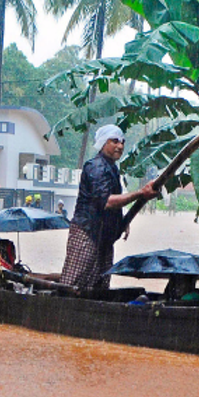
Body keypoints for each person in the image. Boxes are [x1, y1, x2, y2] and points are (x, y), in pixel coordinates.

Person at [60, 124, 158, 290]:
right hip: (87, 232)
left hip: (104, 236)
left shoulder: (111, 168)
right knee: (74, 282)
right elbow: (107, 202)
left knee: (101, 282)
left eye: (122, 142)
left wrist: (121, 221)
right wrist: (141, 193)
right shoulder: (96, 167)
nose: (120, 146)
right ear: (103, 143)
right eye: (115, 141)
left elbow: (113, 203)